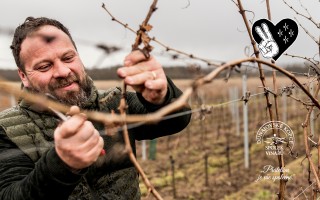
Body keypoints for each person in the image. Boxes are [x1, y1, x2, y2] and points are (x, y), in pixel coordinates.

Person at [0, 17, 191, 200]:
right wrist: (62, 163)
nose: (63, 71)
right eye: (44, 66)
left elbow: (176, 121)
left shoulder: (114, 103)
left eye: (68, 58)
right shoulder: (6, 129)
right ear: (23, 76)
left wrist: (162, 97)